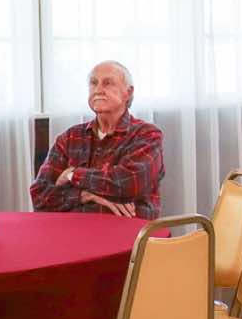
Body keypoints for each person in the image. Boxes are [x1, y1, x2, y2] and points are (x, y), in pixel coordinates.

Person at [30, 61, 164, 217]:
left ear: (128, 92)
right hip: (72, 229)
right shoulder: (69, 137)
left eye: (108, 83)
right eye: (93, 83)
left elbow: (128, 182)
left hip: (127, 229)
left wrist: (72, 175)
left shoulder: (147, 135)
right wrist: (85, 195)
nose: (98, 90)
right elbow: (39, 196)